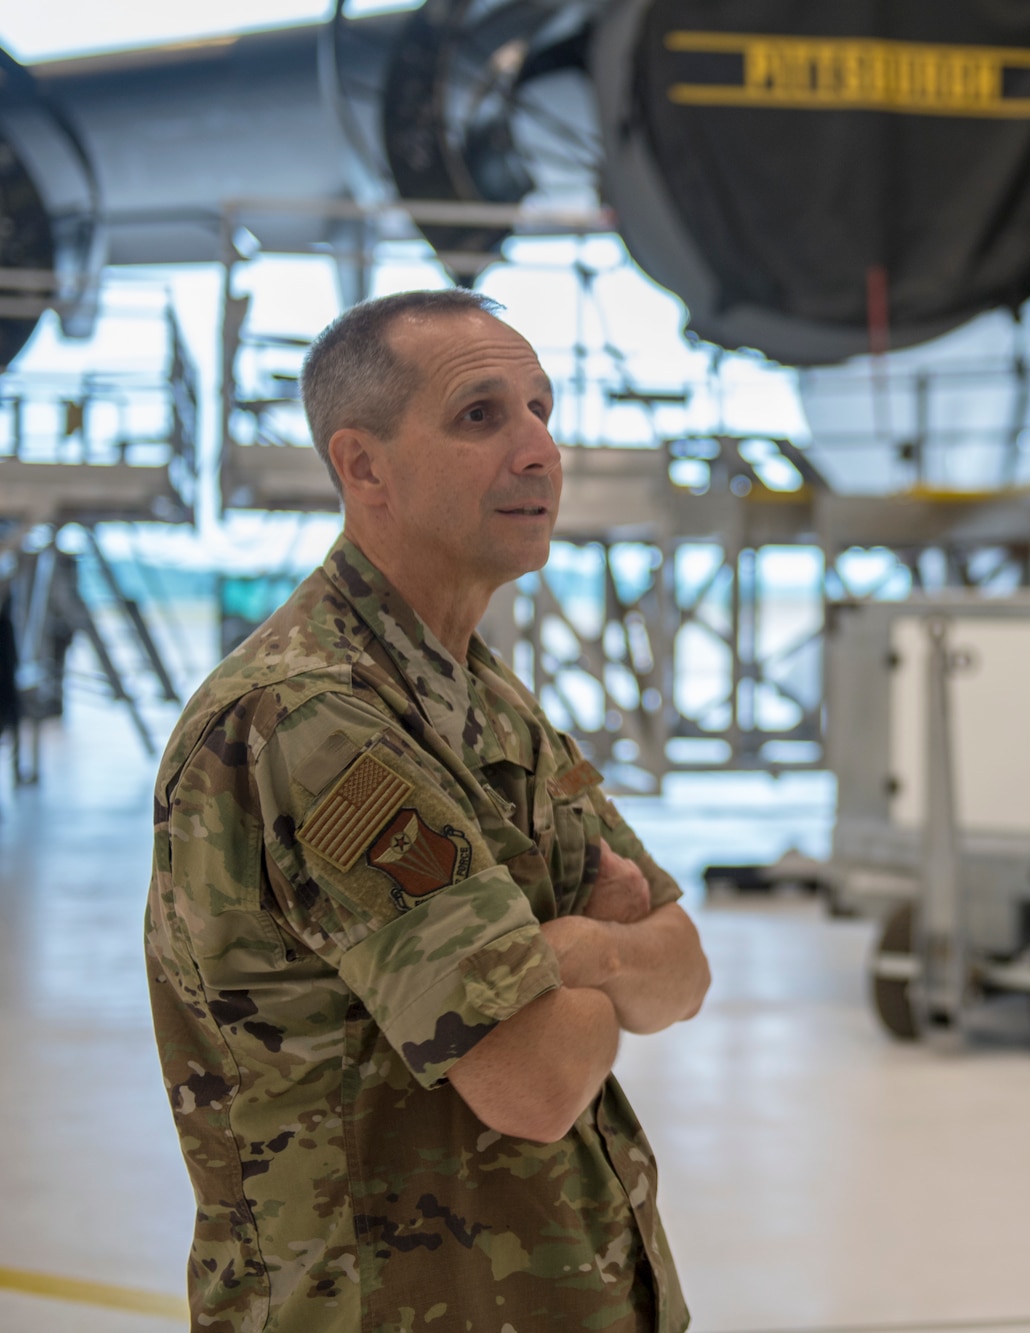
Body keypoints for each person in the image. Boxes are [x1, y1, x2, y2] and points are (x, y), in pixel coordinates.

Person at [146, 288, 710, 1332]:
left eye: (541, 407)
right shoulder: (315, 721)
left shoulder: (485, 698)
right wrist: (604, 958)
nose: (539, 450)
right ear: (362, 467)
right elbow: (535, 1080)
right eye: (480, 416)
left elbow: (683, 968)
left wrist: (568, 952)